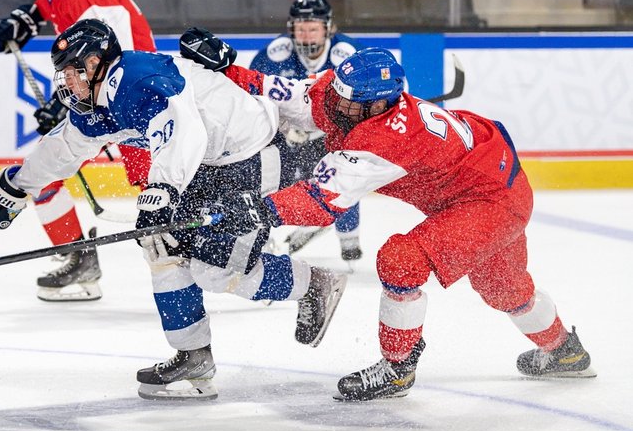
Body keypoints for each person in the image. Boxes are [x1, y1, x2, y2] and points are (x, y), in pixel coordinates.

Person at [0, 19, 348, 401]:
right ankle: (193, 355)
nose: (66, 83)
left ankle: (313, 285)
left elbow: (184, 131)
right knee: (162, 246)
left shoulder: (137, 81)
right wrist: (18, 184)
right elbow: (66, 146)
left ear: (93, 64)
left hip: (253, 154)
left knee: (217, 268)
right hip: (205, 164)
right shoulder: (98, 98)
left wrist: (161, 188)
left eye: (71, 73)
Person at [205, 45, 595, 401]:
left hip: (490, 202)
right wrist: (226, 68)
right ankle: (565, 353)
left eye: (349, 101)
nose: (335, 101)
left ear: (378, 106)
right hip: (493, 174)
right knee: (503, 289)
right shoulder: (346, 96)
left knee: (401, 260)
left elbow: (323, 200)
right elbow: (287, 94)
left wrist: (259, 209)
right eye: (338, 90)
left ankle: (397, 368)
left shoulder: (385, 140)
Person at [0, 0, 156, 302]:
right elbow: (50, 8)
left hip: (137, 101)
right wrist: (27, 19)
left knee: (163, 192)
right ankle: (80, 261)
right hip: (102, 95)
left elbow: (118, 57)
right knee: (43, 174)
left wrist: (66, 108)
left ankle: (235, 256)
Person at [247, 0, 364, 261]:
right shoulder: (272, 56)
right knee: (272, 183)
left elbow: (368, 99)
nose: (307, 35)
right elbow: (256, 101)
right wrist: (284, 127)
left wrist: (330, 125)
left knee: (344, 177)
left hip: (333, 135)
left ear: (328, 28)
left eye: (313, 28)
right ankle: (265, 239)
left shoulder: (350, 54)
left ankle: (349, 240)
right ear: (291, 29)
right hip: (288, 136)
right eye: (301, 29)